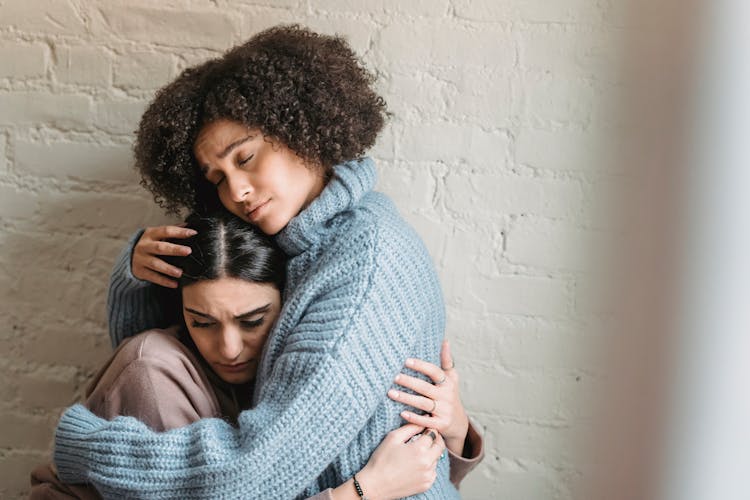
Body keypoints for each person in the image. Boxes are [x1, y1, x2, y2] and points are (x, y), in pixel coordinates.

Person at [53, 25, 483, 498]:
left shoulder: (363, 268)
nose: (236, 191)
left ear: (304, 130)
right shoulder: (309, 238)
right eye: (217, 176)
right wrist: (135, 275)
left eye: (247, 157)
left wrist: (88, 447)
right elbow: (166, 365)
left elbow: (253, 472)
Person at [31, 212, 477, 499]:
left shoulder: (295, 376)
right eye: (202, 322)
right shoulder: (152, 373)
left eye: (252, 321)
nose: (227, 348)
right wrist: (361, 492)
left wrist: (453, 430)